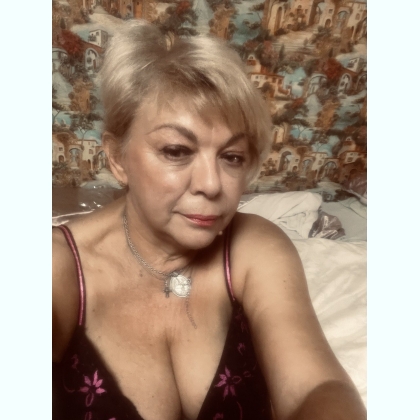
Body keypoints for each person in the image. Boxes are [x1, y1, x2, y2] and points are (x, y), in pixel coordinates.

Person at [52, 20, 366, 420]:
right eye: (176, 151)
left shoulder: (254, 247)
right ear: (117, 158)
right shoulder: (57, 268)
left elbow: (319, 387)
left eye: (232, 157)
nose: (212, 184)